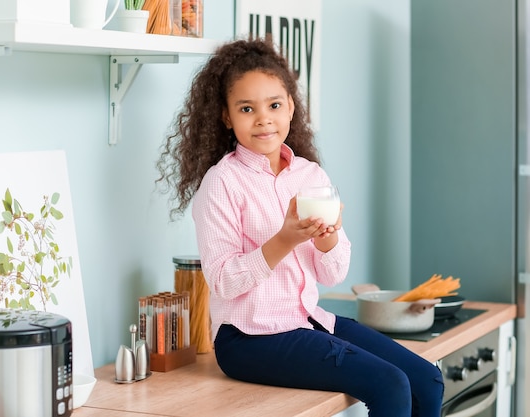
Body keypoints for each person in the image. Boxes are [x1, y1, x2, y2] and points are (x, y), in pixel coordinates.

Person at [156, 38, 443, 417]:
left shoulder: (310, 174)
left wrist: (329, 238)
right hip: (248, 339)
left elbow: (333, 272)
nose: (264, 118)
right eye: (247, 108)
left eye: (274, 105)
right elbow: (223, 280)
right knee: (389, 384)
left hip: (308, 321)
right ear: (227, 116)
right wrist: (284, 240)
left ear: (291, 106)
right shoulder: (221, 183)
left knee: (427, 380)